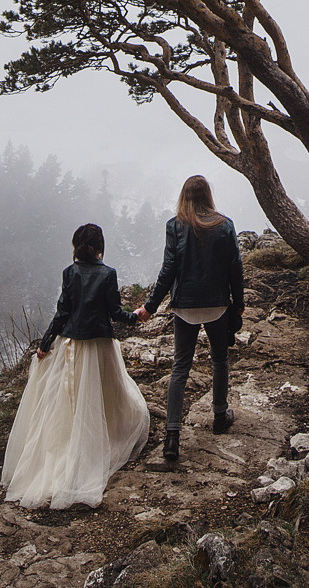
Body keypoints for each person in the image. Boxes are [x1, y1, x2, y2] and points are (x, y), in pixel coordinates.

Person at [0, 222, 152, 508]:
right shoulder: (108, 274)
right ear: (99, 247)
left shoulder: (69, 273)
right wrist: (136, 317)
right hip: (100, 346)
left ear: (76, 246)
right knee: (105, 395)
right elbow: (114, 313)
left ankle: (70, 448)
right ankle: (105, 438)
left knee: (70, 403)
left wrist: (44, 345)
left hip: (71, 346)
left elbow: (62, 314)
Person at [135, 175, 246, 465]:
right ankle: (220, 415)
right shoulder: (225, 225)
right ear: (208, 195)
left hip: (184, 306)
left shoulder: (175, 226)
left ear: (184, 197)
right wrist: (239, 304)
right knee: (219, 360)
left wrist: (149, 307)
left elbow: (168, 270)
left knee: (180, 368)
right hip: (217, 305)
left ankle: (172, 437)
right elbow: (235, 269)